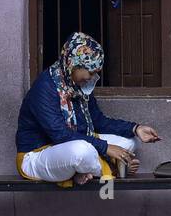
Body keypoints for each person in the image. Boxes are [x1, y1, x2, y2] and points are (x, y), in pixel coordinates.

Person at [15, 32, 160, 187]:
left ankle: (81, 171)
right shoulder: (45, 88)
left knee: (129, 142)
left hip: (72, 146)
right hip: (37, 157)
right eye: (90, 72)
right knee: (81, 152)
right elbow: (60, 135)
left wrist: (135, 128)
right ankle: (114, 169)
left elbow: (98, 121)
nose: (92, 78)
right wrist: (105, 148)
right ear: (73, 64)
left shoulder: (78, 87)